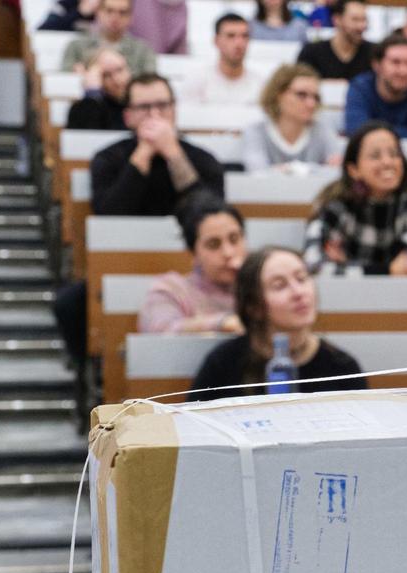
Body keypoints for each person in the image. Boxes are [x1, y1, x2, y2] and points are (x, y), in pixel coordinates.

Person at [187, 246, 366, 401]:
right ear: (253, 306)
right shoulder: (223, 364)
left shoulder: (343, 367)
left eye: (301, 278)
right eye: (280, 285)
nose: (298, 293)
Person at [303, 122, 407, 276]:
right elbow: (314, 269)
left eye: (395, 154)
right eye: (375, 156)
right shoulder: (334, 205)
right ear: (353, 170)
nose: (387, 162)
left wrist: (347, 266)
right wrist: (389, 270)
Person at [90, 74, 224, 215]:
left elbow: (210, 215)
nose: (154, 114)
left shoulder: (203, 159)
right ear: (127, 116)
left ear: (174, 110)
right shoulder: (108, 158)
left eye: (162, 105)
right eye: (143, 107)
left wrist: (173, 153)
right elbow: (109, 215)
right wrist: (144, 151)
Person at [138, 193, 246, 333]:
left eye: (234, 239)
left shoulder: (261, 289)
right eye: (213, 244)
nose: (228, 253)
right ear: (194, 252)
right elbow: (161, 330)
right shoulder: (172, 290)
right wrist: (222, 323)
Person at [242, 63, 342, 171]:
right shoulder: (256, 132)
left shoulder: (322, 130)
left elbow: (336, 169)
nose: (311, 104)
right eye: (301, 95)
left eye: (316, 97)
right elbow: (257, 172)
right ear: (278, 95)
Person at [343, 34, 407, 138]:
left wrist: (374, 133)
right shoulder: (360, 89)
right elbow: (356, 131)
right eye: (396, 62)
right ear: (377, 65)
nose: (404, 71)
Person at [180, 14, 265, 105]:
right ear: (216, 41)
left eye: (245, 36)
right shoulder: (196, 81)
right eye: (230, 36)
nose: (239, 43)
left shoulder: (260, 85)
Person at [61, 0, 156, 75]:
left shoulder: (143, 50)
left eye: (122, 12)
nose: (115, 17)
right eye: (109, 11)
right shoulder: (76, 47)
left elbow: (150, 83)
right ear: (98, 12)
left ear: (130, 17)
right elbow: (64, 80)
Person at [296, 0, 373, 81]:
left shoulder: (373, 53)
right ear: (337, 19)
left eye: (364, 19)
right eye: (355, 19)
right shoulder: (311, 53)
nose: (361, 26)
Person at [66, 47, 130, 130]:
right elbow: (87, 135)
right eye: (106, 75)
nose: (116, 80)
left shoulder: (138, 101)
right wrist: (92, 93)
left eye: (119, 70)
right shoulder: (83, 108)